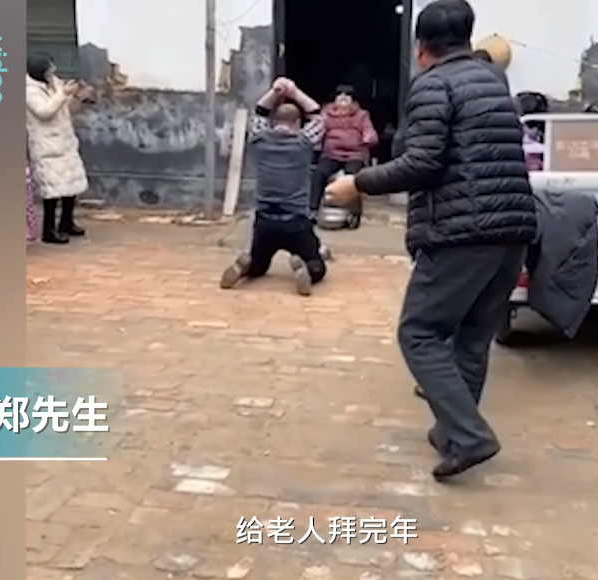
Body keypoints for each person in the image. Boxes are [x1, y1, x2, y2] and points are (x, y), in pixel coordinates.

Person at [326, 0, 537, 481]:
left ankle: (470, 435)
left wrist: (357, 184)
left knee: (419, 332)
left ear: (421, 48)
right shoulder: (494, 80)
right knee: (472, 336)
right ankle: (452, 433)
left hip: (463, 232)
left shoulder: (433, 85)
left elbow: (422, 163)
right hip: (513, 228)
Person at [220, 78, 327, 296]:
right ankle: (306, 267)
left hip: (264, 221)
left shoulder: (260, 139)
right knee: (317, 265)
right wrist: (294, 92)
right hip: (295, 221)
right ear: (298, 122)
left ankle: (247, 265)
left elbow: (259, 111)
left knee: (260, 264)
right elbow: (318, 116)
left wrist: (275, 91)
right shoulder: (303, 143)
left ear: (274, 120)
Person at [26, 52, 94, 244]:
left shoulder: (54, 83)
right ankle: (49, 231)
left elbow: (63, 110)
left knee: (71, 185)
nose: (53, 71)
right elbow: (45, 111)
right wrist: (63, 93)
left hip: (64, 141)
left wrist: (77, 97)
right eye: (49, 68)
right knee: (52, 191)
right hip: (47, 144)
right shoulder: (29, 91)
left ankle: (66, 222)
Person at [310, 85, 379, 225]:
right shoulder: (326, 113)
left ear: (353, 100)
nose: (343, 98)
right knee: (319, 174)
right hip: (331, 154)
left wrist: (368, 138)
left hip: (355, 155)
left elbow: (369, 131)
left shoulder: (362, 115)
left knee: (353, 179)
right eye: (340, 94)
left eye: (347, 95)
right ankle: (312, 209)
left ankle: (354, 214)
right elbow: (317, 129)